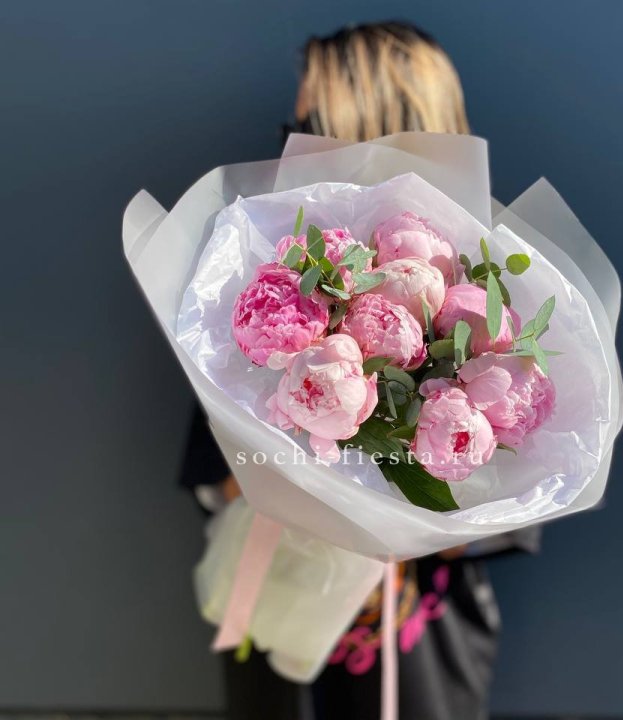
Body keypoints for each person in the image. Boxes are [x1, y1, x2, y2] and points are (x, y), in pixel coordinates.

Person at [181, 21, 539, 720]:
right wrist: (287, 449)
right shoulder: (269, 286)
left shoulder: (484, 292)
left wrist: (390, 483)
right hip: (278, 618)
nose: (288, 144)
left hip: (412, 648)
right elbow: (214, 474)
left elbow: (510, 502)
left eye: (304, 125)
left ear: (371, 126)